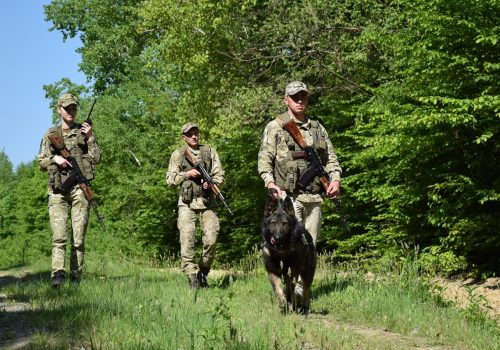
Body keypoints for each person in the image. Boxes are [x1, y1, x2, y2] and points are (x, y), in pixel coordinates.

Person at [258, 81, 342, 246]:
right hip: (289, 198)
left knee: (310, 248)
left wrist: (336, 180)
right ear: (286, 100)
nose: (300, 101)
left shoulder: (318, 128)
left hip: (314, 198)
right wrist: (270, 183)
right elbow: (264, 159)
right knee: (292, 246)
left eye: (303, 97)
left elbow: (331, 158)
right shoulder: (275, 127)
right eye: (295, 97)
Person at [38, 93, 101, 288]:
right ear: (59, 110)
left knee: (79, 237)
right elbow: (40, 161)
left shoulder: (84, 133)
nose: (71, 111)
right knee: (59, 237)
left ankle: (76, 277)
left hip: (80, 190)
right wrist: (54, 159)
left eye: (74, 108)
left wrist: (90, 137)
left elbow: (97, 158)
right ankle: (57, 276)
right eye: (67, 108)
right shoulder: (51, 134)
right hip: (58, 190)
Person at [166, 122, 225, 289]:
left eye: (195, 133)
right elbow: (170, 179)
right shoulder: (178, 154)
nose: (194, 136)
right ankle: (192, 278)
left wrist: (211, 183)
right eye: (189, 134)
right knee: (187, 239)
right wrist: (187, 174)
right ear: (184, 137)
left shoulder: (209, 151)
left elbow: (220, 174)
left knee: (212, 239)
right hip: (187, 203)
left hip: (208, 202)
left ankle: (203, 272)